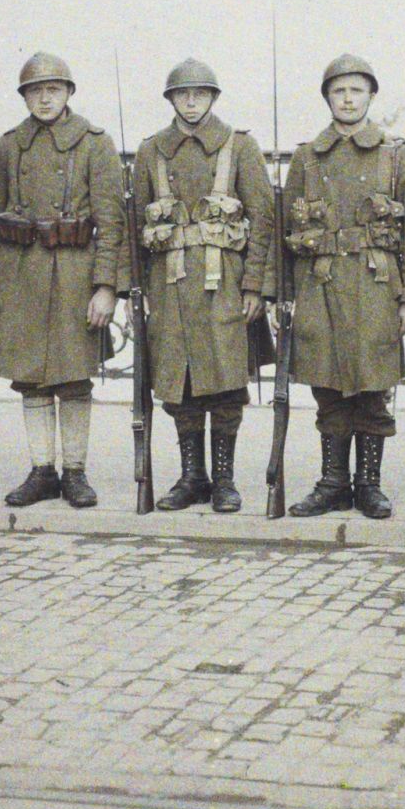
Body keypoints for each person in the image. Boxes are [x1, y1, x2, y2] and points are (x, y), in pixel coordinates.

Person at [0, 52, 127, 509]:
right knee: (31, 378)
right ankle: (42, 469)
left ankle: (75, 471)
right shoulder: (9, 145)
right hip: (19, 272)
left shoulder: (94, 143)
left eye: (53, 90)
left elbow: (112, 222)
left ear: (69, 94)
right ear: (24, 96)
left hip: (75, 272)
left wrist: (106, 287)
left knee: (73, 375)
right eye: (35, 91)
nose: (44, 98)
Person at [280, 54, 405, 519]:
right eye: (339, 90)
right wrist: (284, 297)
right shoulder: (307, 157)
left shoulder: (396, 155)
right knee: (327, 387)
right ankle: (332, 482)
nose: (347, 99)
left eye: (356, 90)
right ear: (327, 97)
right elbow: (284, 229)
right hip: (319, 286)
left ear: (371, 96)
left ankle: (369, 484)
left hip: (375, 285)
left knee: (371, 388)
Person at [133, 59, 277, 514]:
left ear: (213, 98)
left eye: (200, 94)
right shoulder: (151, 151)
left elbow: (264, 221)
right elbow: (135, 223)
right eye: (182, 94)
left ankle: (225, 480)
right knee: (180, 384)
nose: (191, 102)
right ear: (171, 99)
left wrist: (256, 285)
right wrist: (136, 294)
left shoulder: (240, 147)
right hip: (169, 288)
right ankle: (192, 476)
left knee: (226, 383)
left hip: (226, 289)